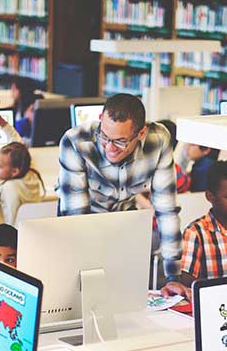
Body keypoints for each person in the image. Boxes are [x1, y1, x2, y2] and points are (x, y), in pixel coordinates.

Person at [58, 93, 189, 299]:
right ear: (101, 120)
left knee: (127, 304)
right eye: (105, 137)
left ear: (141, 133)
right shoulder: (76, 142)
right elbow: (76, 220)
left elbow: (167, 210)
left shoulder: (159, 140)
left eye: (120, 141)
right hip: (84, 227)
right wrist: (84, 276)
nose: (109, 148)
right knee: (85, 298)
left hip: (125, 226)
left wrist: (173, 276)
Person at [0, 142, 46, 226]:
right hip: (34, 231)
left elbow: (12, 219)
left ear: (15, 171)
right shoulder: (32, 177)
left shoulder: (9, 188)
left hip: (16, 234)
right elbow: (21, 153)